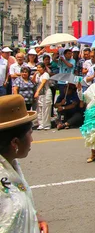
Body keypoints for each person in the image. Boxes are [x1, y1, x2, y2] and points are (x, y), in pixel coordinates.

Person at [0, 94, 49, 233]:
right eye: (30, 133)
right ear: (15, 142)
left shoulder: (11, 164)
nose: (32, 140)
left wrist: (35, 217)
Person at [33, 63, 52, 130]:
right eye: (37, 67)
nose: (38, 69)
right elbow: (34, 82)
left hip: (46, 92)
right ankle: (41, 124)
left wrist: (37, 91)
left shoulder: (46, 74)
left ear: (44, 68)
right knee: (39, 108)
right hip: (40, 94)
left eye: (40, 67)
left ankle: (46, 124)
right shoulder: (38, 75)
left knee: (46, 108)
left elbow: (43, 83)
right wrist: (35, 75)